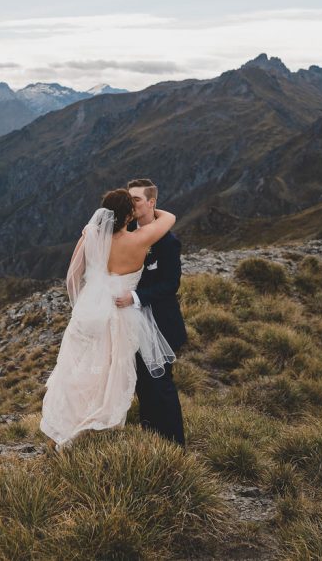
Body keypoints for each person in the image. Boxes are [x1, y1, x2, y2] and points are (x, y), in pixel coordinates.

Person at [39, 188, 177, 450]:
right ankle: (96, 432)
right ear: (128, 216)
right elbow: (169, 217)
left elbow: (73, 276)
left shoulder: (91, 235)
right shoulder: (141, 239)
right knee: (111, 374)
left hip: (89, 313)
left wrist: (84, 304)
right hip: (121, 315)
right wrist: (147, 206)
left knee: (78, 371)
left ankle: (65, 428)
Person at [115, 179, 187, 448]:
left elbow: (171, 284)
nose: (131, 204)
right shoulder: (126, 233)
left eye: (136, 199)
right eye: (129, 199)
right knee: (143, 388)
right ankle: (152, 444)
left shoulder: (168, 242)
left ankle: (175, 447)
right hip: (132, 326)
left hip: (160, 325)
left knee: (162, 387)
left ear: (151, 202)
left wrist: (135, 297)